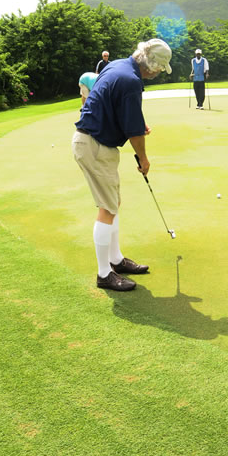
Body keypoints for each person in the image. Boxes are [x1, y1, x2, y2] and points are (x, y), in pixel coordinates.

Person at [72, 38, 172, 292]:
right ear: (151, 65)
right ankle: (104, 274)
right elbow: (134, 133)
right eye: (159, 68)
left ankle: (115, 260)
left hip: (95, 142)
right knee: (107, 208)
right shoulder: (131, 81)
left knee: (113, 203)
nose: (158, 73)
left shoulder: (118, 65)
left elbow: (114, 105)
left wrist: (137, 125)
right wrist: (144, 159)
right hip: (94, 145)